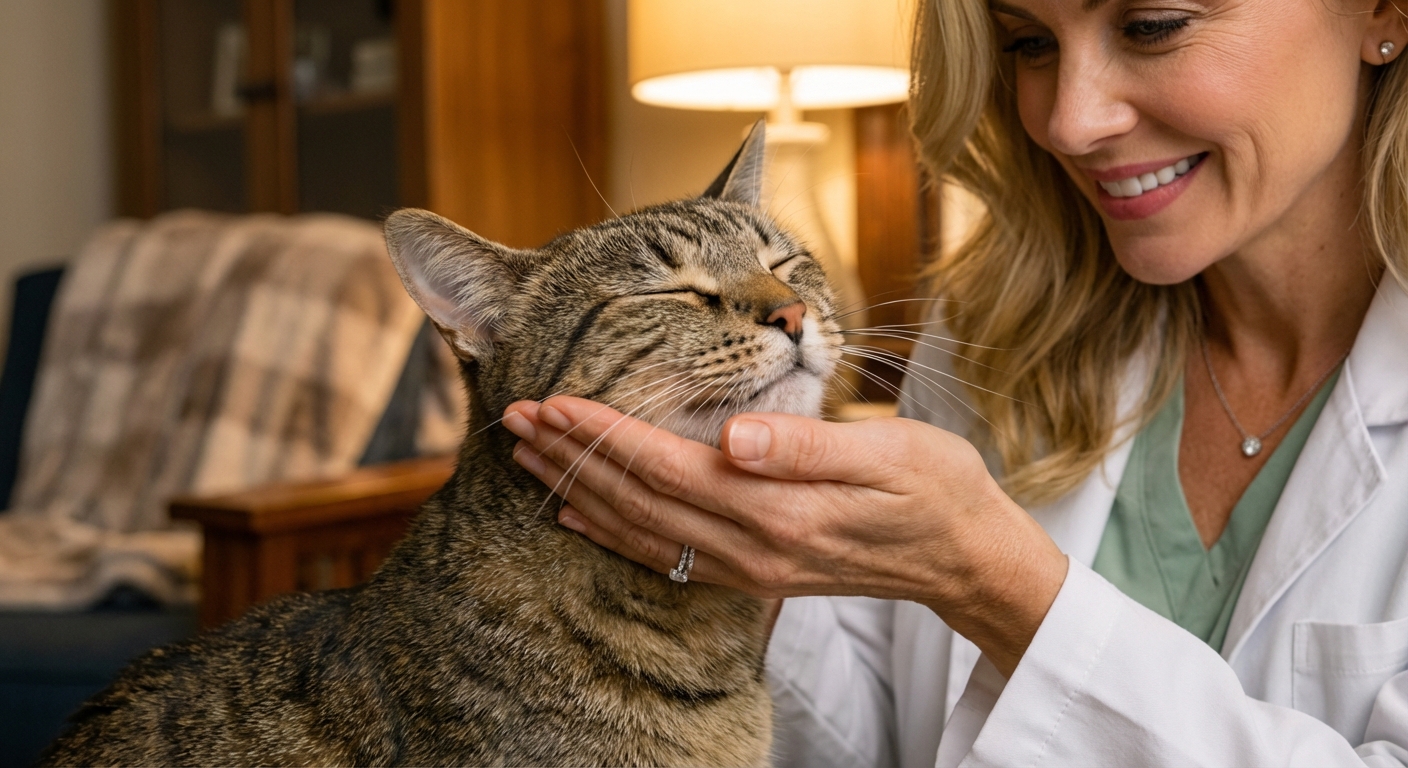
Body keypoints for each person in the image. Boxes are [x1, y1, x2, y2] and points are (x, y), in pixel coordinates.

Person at [501, 0, 1408, 764]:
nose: (1068, 121)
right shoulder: (996, 328)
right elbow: (889, 739)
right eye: (1030, 44)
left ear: (1382, 12)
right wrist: (749, 555)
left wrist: (1002, 589)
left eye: (1152, 24)